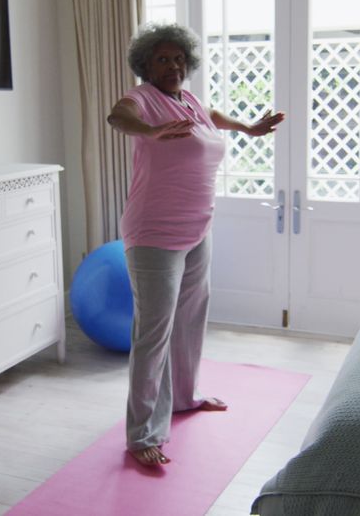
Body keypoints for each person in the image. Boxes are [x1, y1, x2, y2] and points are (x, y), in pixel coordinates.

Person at [106, 23, 285, 467]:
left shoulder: (188, 100)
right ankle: (142, 433)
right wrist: (148, 132)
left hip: (197, 229)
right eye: (163, 59)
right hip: (153, 234)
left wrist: (248, 127)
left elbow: (214, 116)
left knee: (189, 320)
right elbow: (117, 116)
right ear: (146, 65)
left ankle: (184, 397)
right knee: (154, 333)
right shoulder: (143, 99)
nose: (174, 65)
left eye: (179, 58)